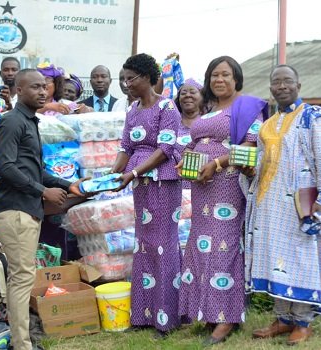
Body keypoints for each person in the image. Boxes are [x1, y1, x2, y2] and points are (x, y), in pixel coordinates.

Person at [245, 65, 321, 345]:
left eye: (287, 81)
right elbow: (263, 162)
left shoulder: (312, 117)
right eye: (276, 82)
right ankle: (282, 319)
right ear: (271, 89)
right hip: (271, 205)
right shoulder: (267, 124)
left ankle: (303, 321)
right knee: (276, 261)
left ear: (298, 86)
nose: (281, 86)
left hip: (301, 205)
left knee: (302, 260)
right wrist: (248, 172)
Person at [176, 56, 268, 346]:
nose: (219, 80)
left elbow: (249, 146)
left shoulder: (248, 107)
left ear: (236, 78)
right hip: (202, 184)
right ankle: (208, 312)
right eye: (214, 75)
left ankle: (227, 316)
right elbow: (193, 142)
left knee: (223, 246)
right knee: (201, 246)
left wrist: (215, 163)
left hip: (227, 183)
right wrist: (184, 163)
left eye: (226, 75)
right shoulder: (210, 110)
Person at [0, 68, 86, 350]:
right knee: (22, 278)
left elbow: (35, 170)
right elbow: (5, 169)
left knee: (23, 277)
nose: (42, 92)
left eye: (44, 87)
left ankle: (22, 341)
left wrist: (69, 185)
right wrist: (43, 191)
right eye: (34, 87)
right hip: (14, 209)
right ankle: (22, 345)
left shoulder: (31, 121)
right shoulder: (11, 121)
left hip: (28, 209)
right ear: (19, 90)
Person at [110, 53, 182, 338]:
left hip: (163, 180)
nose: (126, 84)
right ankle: (141, 315)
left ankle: (166, 320)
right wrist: (112, 174)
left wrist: (134, 173)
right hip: (140, 182)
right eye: (124, 79)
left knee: (163, 246)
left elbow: (165, 149)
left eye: (131, 78)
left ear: (148, 78)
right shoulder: (132, 110)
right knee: (144, 245)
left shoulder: (167, 107)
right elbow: (126, 146)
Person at [173, 78, 204, 189]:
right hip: (175, 187)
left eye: (192, 92)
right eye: (183, 93)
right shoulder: (171, 123)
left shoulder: (209, 122)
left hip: (203, 185)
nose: (187, 96)